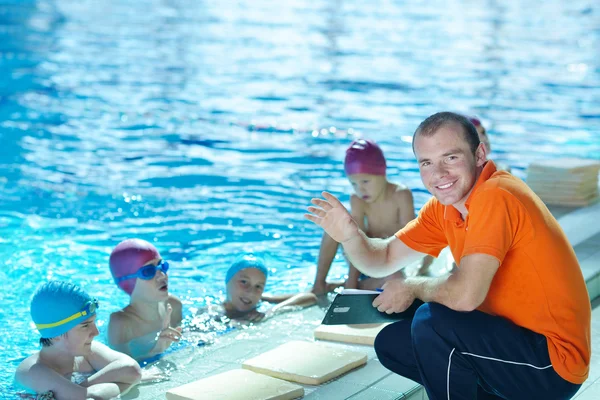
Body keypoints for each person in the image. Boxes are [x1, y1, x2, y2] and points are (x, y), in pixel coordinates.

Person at [305, 112, 589, 399]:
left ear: (479, 154)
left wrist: (413, 286)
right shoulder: (444, 208)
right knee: (395, 343)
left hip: (554, 364)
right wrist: (351, 236)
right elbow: (383, 258)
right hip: (514, 346)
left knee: (431, 322)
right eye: (426, 163)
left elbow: (466, 296)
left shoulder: (496, 194)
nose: (438, 174)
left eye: (450, 158)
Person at [311, 139, 432, 294]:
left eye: (366, 181)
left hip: (393, 262)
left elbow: (417, 238)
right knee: (333, 230)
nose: (360, 189)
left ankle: (340, 286)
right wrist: (351, 284)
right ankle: (319, 285)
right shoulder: (358, 200)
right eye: (354, 184)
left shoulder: (400, 195)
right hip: (365, 258)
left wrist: (422, 269)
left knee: (395, 280)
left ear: (382, 173)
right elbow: (355, 239)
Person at [15, 280, 142, 399]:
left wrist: (81, 387)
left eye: (94, 322)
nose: (96, 332)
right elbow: (86, 398)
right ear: (56, 334)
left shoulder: (86, 351)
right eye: (86, 325)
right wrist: (121, 381)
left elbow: (132, 369)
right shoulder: (33, 372)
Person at [107, 238, 183, 361]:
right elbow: (123, 368)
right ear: (129, 282)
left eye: (162, 266)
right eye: (148, 271)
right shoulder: (121, 323)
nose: (162, 276)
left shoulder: (173, 305)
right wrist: (158, 350)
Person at [221, 254, 317, 322]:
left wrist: (269, 312)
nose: (251, 292)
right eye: (244, 282)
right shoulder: (215, 312)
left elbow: (309, 297)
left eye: (258, 286)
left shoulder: (262, 300)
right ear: (227, 281)